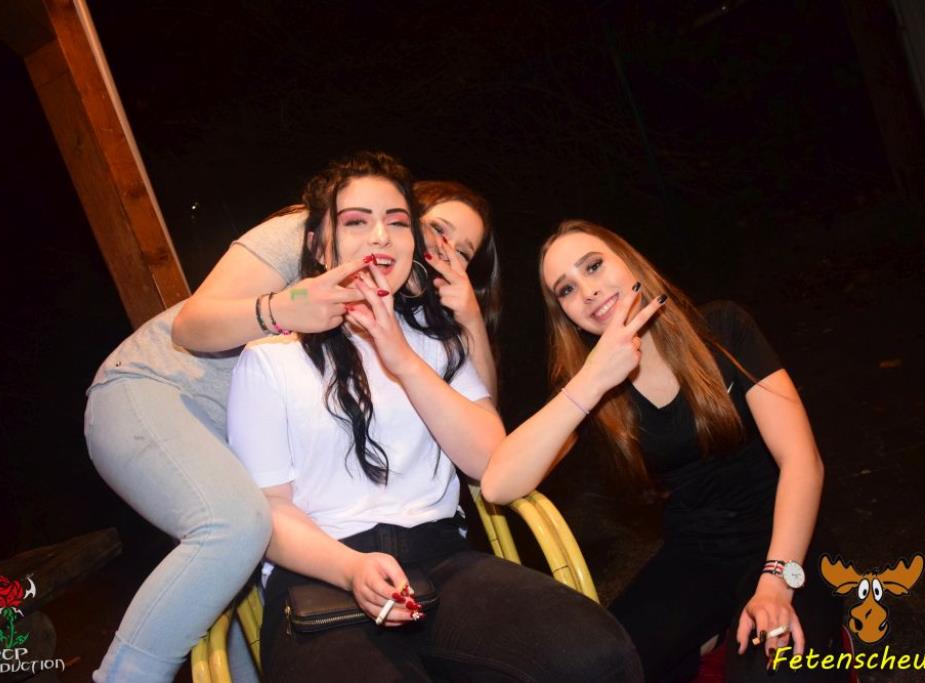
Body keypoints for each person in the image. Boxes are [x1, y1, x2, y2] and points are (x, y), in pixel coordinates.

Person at [226, 153, 640, 681]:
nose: (381, 236)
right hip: (320, 577)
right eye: (356, 221)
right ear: (319, 245)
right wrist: (349, 568)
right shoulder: (269, 360)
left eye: (397, 222)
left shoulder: (439, 346)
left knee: (596, 655)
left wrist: (402, 357)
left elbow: (488, 463)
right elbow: (268, 513)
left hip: (443, 559)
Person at [85, 167, 499, 680]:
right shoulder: (313, 230)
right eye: (437, 230)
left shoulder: (413, 304)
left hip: (236, 433)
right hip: (154, 391)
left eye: (462, 251)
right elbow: (191, 326)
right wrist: (288, 307)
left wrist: (471, 319)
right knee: (237, 527)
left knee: (247, 593)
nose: (443, 251)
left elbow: (481, 425)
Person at [481, 219, 844, 681]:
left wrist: (775, 582)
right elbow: (498, 485)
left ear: (630, 263)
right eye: (566, 290)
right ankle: (709, 638)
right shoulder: (594, 385)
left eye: (593, 266)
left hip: (786, 540)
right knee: (602, 669)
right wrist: (592, 380)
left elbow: (802, 461)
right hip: (697, 556)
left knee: (772, 672)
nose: (587, 291)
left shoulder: (722, 327)